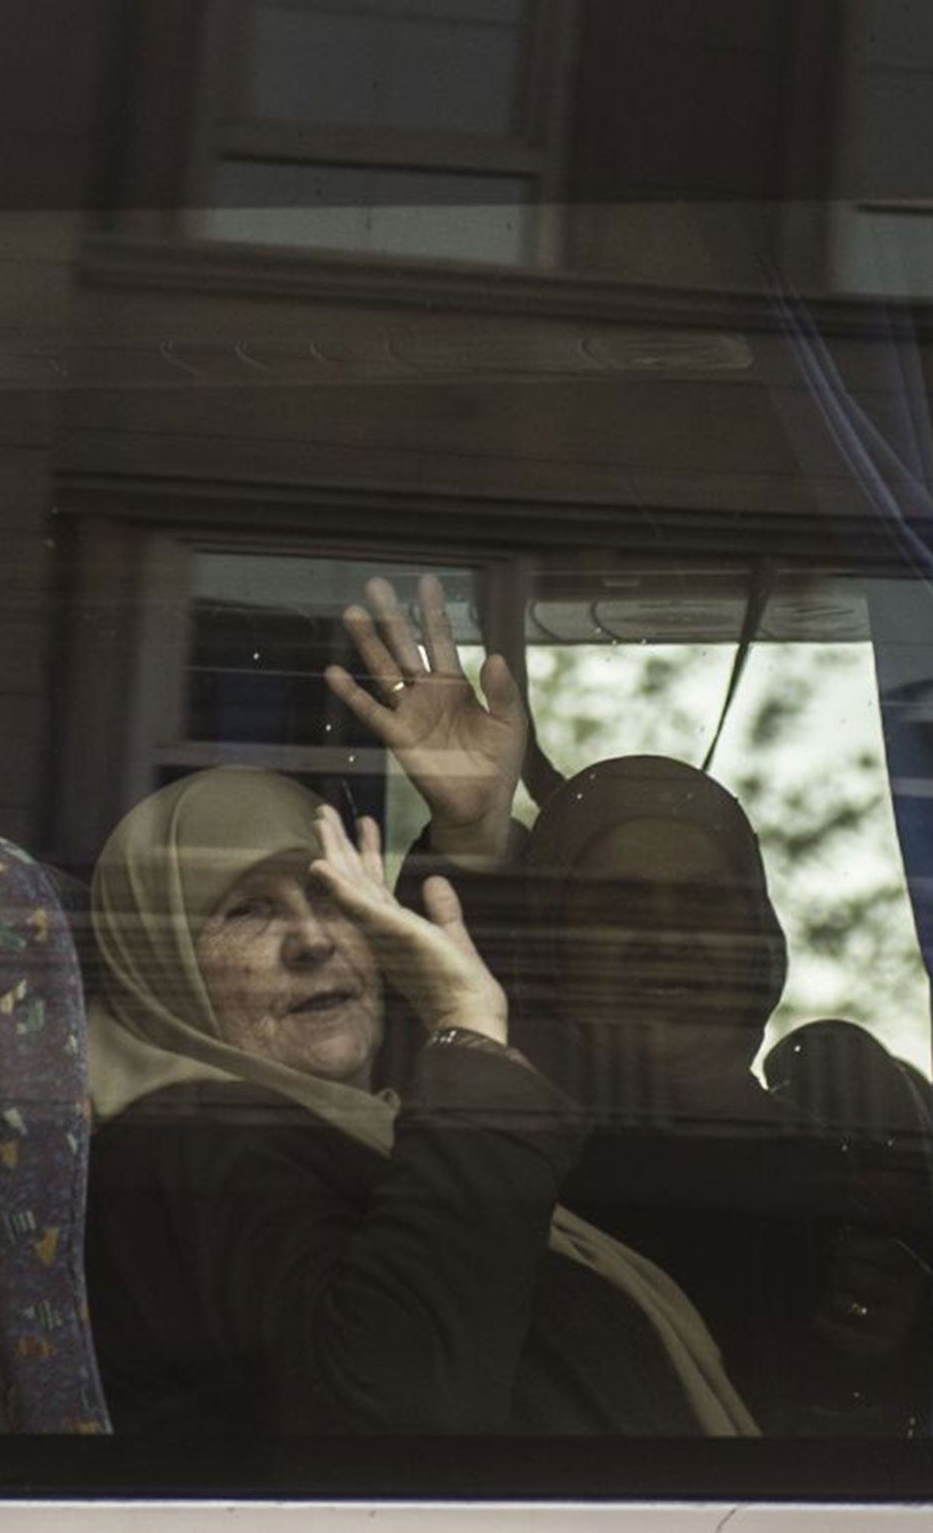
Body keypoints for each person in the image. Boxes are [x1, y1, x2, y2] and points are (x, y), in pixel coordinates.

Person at [325, 575, 933, 1432]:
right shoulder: (487, 1146)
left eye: (706, 904)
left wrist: (892, 1336)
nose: (669, 940)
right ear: (556, 945)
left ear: (763, 944)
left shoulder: (845, 1169)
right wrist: (470, 835)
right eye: (620, 905)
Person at [83, 765, 755, 1437]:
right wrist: (464, 1018)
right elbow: (395, 1411)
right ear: (159, 959)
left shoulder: (357, 1123)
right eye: (248, 910)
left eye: (333, 896)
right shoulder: (187, 1147)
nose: (314, 940)